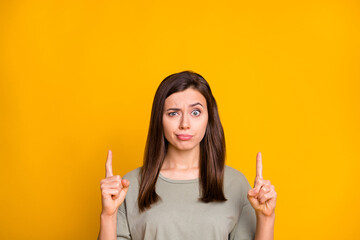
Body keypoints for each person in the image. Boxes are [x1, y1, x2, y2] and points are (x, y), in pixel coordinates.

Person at [98, 70, 277, 240]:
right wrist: (108, 215)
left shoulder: (235, 184)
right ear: (159, 119)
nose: (185, 124)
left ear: (209, 118)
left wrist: (266, 217)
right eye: (173, 113)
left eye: (195, 112)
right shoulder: (130, 186)